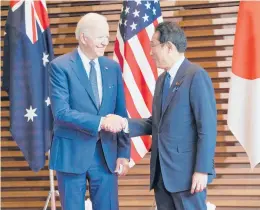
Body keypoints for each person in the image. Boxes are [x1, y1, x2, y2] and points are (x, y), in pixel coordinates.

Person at [106, 22, 217, 210]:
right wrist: (124, 124)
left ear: (169, 47)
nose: (150, 52)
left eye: (153, 46)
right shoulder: (161, 80)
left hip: (187, 176)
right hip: (162, 176)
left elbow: (206, 128)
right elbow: (156, 123)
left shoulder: (196, 75)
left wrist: (202, 170)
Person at [48, 13, 130, 210]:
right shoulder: (60, 67)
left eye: (107, 36)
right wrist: (101, 122)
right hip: (71, 154)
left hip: (106, 155)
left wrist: (124, 153)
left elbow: (121, 114)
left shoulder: (112, 68)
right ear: (84, 38)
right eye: (100, 36)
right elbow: (61, 112)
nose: (105, 41)